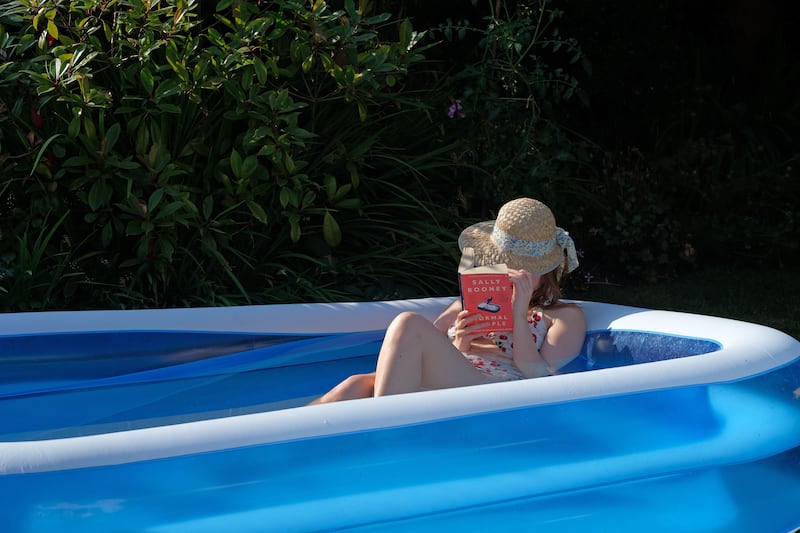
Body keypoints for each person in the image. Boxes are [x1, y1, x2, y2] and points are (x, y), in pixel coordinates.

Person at [310, 197, 586, 403]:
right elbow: (416, 353)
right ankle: (281, 452)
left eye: (521, 266)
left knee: (409, 323)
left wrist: (518, 312)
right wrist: (459, 343)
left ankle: (387, 434)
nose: (510, 272)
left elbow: (540, 377)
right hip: (452, 380)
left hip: (495, 392)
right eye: (504, 263)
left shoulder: (563, 317)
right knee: (354, 386)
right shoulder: (467, 301)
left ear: (544, 270)